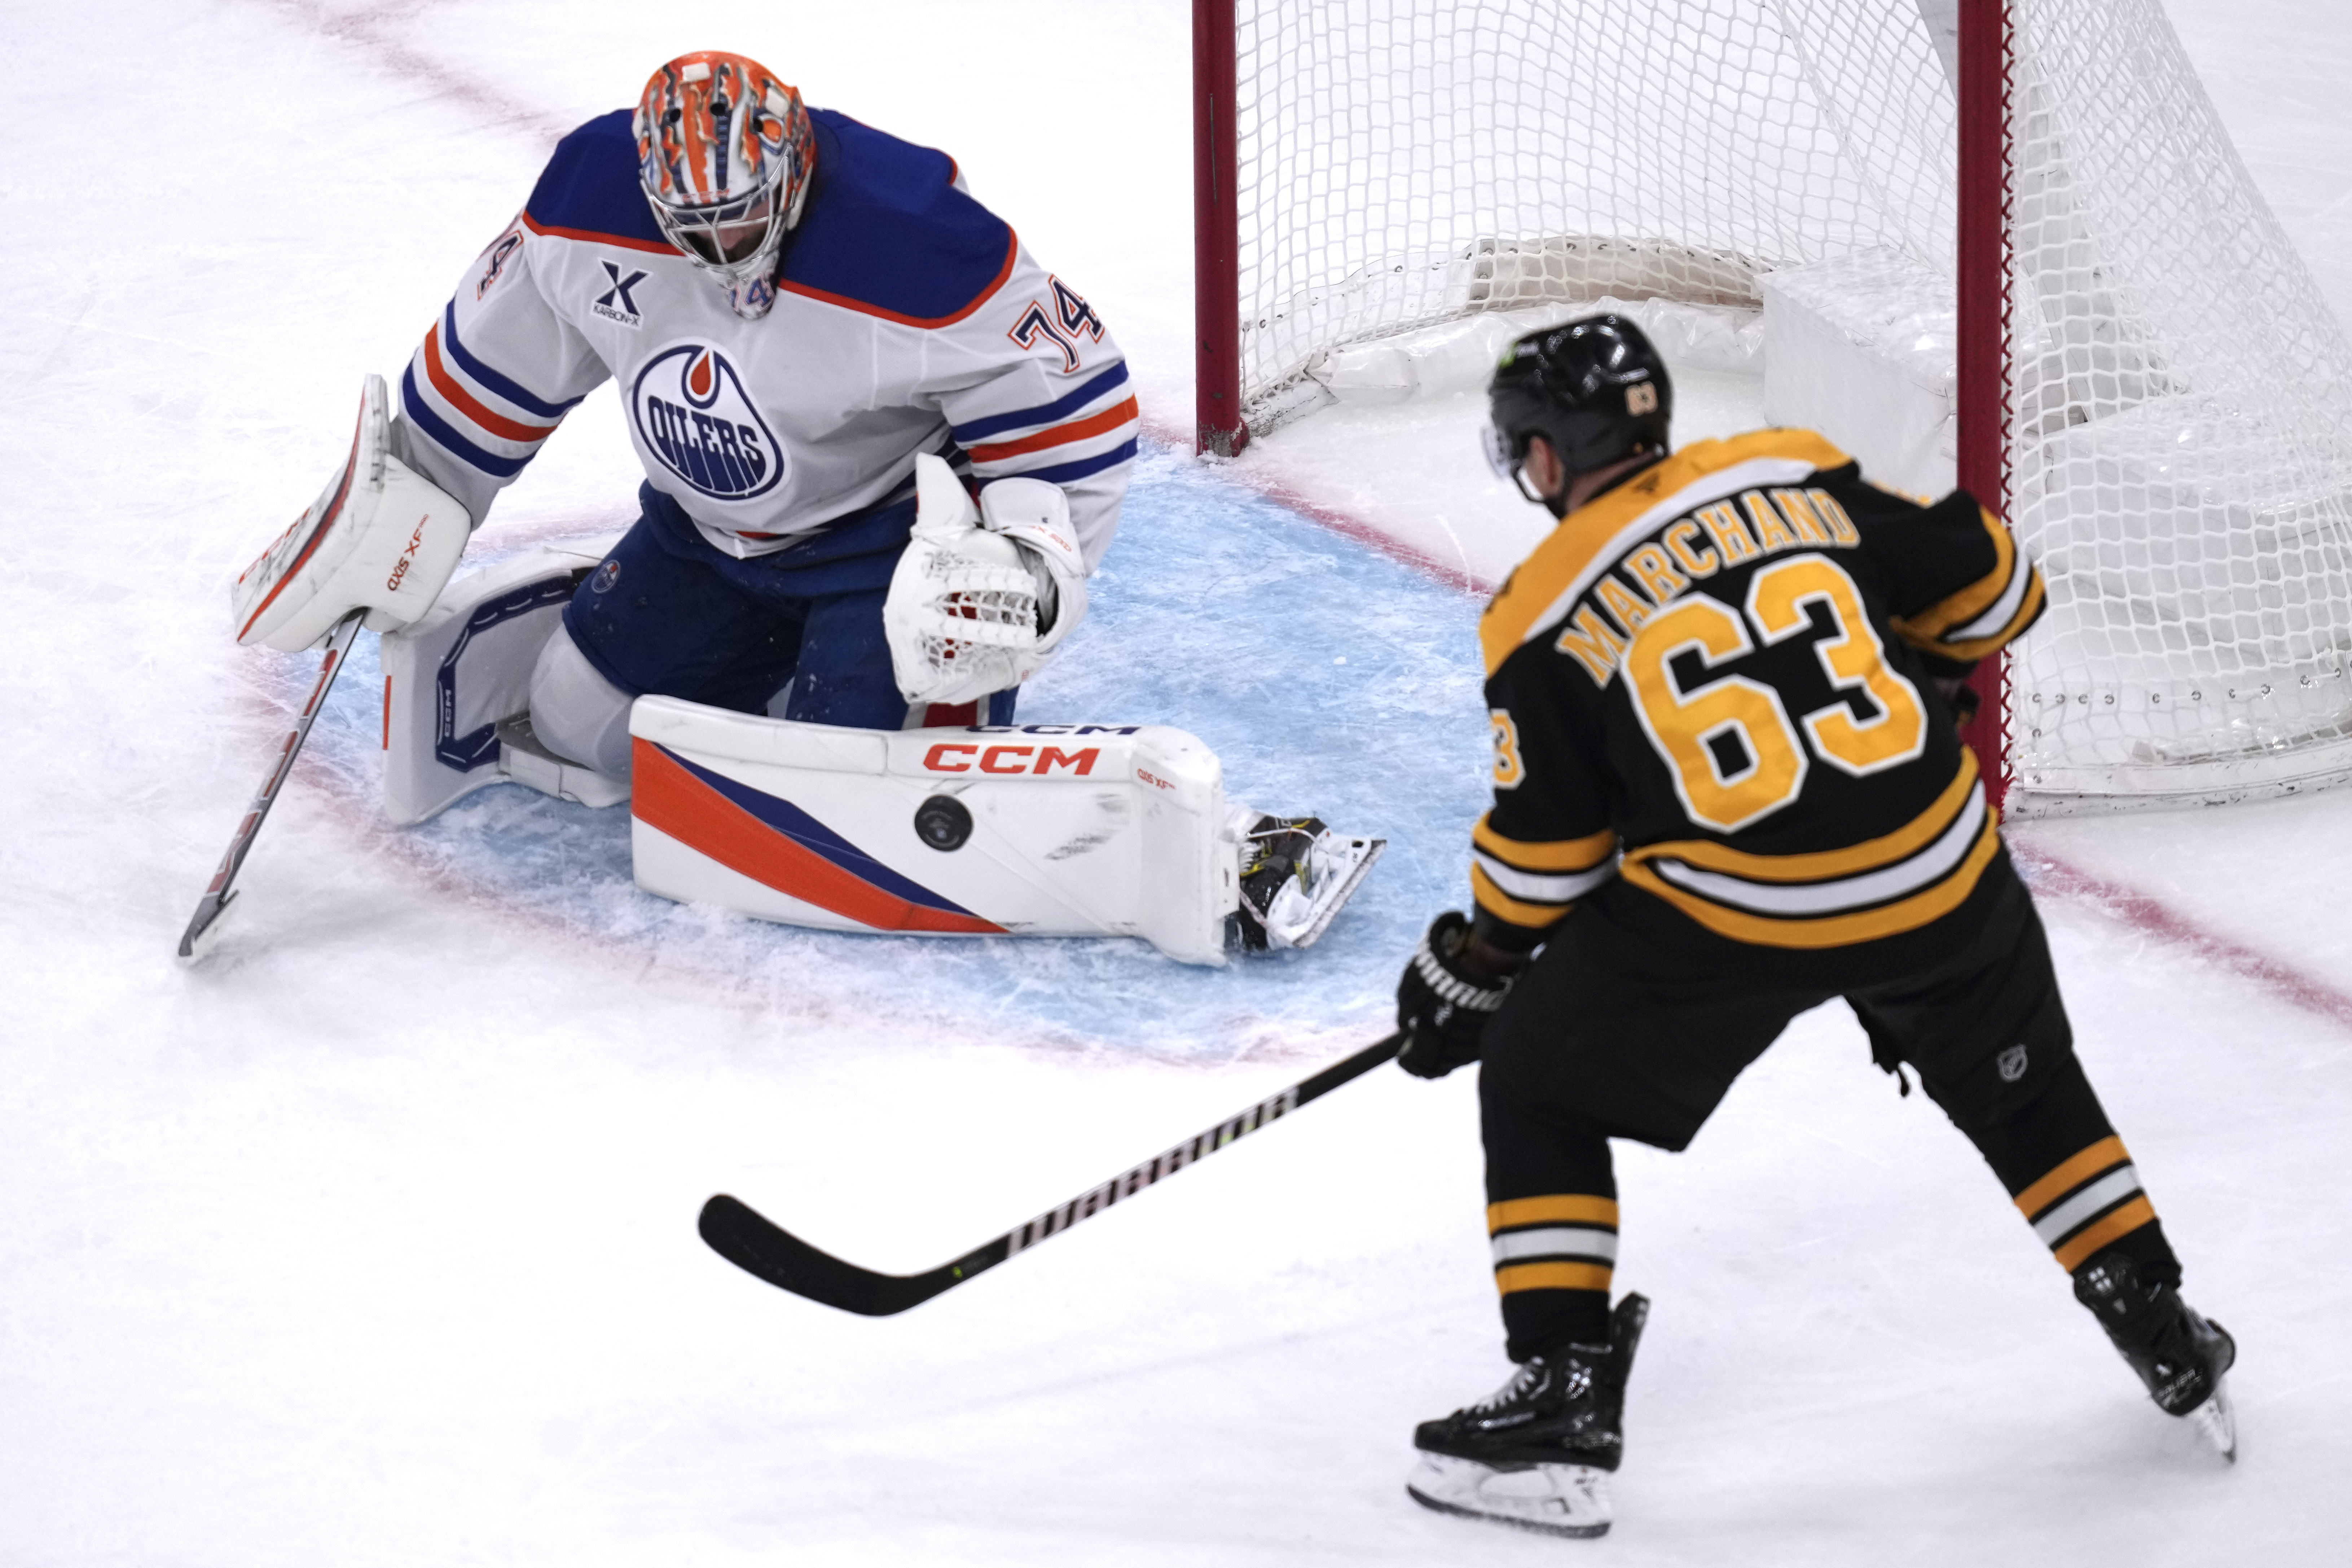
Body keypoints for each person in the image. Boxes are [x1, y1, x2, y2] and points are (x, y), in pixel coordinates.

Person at [1390, 315, 2237, 1538]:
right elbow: (2001, 587)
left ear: (1547, 454)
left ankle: (1562, 1394)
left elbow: (1547, 863)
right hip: (1940, 866)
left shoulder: (1536, 609)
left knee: (1536, 1078)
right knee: (2023, 1082)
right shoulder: (1784, 466)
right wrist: (1919, 659)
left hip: (1741, 916)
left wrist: (1474, 972)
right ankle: (2155, 1316)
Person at [395, 49, 1138, 773]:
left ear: (792, 170)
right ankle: (791, 670)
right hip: (703, 532)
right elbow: (492, 369)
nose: (722, 246)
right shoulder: (587, 199)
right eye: (695, 223)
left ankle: (848, 682)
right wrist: (406, 498)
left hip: (892, 545)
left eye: (741, 216)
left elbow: (1070, 398)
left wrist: (1031, 560)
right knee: (579, 727)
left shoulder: (914, 238)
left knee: (848, 786)